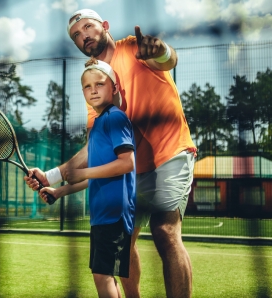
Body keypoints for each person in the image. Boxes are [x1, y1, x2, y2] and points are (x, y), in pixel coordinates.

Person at [25, 8, 196, 298]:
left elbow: (169, 59)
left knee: (165, 232)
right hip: (131, 173)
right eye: (76, 35)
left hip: (170, 153)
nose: (84, 36)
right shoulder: (97, 86)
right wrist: (51, 176)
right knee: (124, 246)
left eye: (88, 27)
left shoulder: (133, 48)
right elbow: (95, 147)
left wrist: (161, 49)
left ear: (104, 26)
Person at [40, 58, 136, 298]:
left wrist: (81, 171)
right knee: (104, 275)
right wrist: (59, 191)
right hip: (102, 215)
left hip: (114, 213)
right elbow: (97, 177)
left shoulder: (115, 117)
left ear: (113, 88)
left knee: (103, 276)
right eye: (87, 86)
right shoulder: (99, 124)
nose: (93, 90)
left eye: (100, 84)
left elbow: (127, 163)